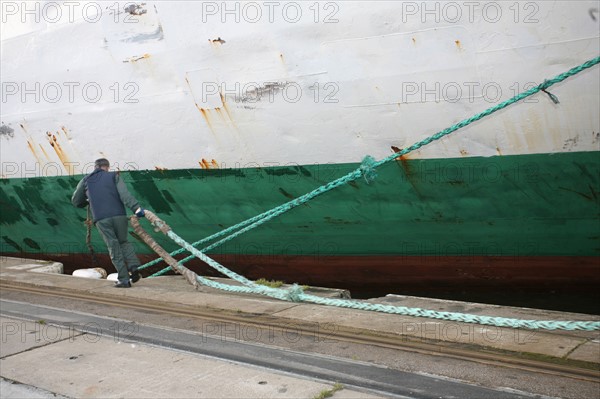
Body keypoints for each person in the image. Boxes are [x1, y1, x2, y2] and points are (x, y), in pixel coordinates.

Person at [71, 158, 146, 288]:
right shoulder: (114, 176)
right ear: (107, 167)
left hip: (102, 219)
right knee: (124, 242)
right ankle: (134, 268)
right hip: (119, 216)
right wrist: (136, 208)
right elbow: (124, 194)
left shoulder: (86, 180)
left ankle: (124, 280)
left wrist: (88, 201)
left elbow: (76, 201)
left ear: (95, 167)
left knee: (113, 246)